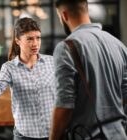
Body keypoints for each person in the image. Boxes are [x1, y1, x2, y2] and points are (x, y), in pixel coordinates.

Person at [49, 0, 127, 140]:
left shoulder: (66, 47)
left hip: (87, 135)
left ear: (64, 15)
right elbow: (125, 95)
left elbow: (65, 105)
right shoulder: (118, 45)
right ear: (86, 9)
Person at [0, 17, 55, 140]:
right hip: (25, 136)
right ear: (17, 41)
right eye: (30, 39)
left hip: (53, 134)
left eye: (38, 37)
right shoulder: (9, 68)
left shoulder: (52, 62)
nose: (36, 43)